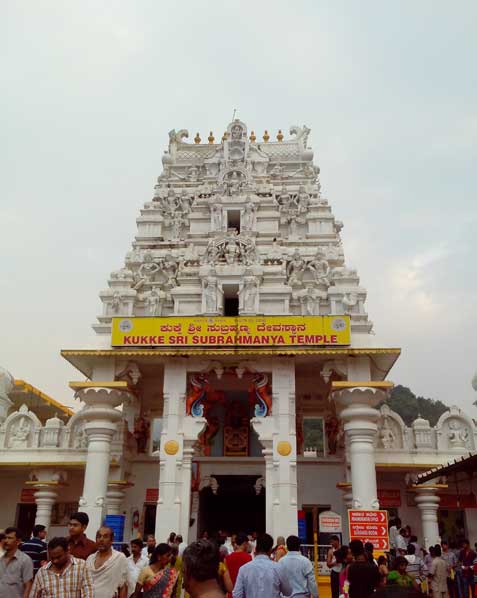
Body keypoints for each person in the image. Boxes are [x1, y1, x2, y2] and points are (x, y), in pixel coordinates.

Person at [232, 533, 291, 597]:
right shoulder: (278, 568)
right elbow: (288, 592)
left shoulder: (244, 569)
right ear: (270, 550)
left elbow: (236, 595)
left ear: (256, 548)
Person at [86, 526, 128, 598]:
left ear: (111, 540)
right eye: (99, 536)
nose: (101, 539)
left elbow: (123, 586)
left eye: (105, 537)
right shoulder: (90, 559)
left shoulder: (119, 558)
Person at [0, 527, 34, 598]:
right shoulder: (1, 558)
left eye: (10, 538)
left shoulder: (25, 560)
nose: (6, 541)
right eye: (5, 538)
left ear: (18, 541)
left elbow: (28, 586)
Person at [225, 532, 252, 597]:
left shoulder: (227, 558)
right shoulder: (248, 557)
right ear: (244, 543)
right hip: (243, 594)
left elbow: (226, 578)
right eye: (247, 544)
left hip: (231, 594)